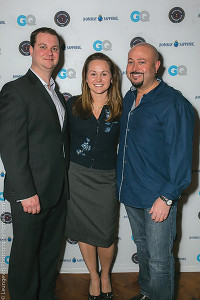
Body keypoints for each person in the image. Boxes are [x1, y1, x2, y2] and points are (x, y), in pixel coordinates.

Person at [117, 43, 195, 300]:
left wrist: (166, 197)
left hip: (158, 198)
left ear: (156, 66)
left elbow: (181, 157)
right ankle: (147, 293)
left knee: (161, 260)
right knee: (144, 250)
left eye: (142, 62)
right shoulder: (129, 97)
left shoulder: (173, 103)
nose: (134, 68)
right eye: (131, 62)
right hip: (131, 193)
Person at [0, 27, 69, 300]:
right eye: (43, 47)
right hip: (31, 193)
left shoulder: (55, 92)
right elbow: (11, 147)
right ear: (30, 50)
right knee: (26, 257)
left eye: (54, 48)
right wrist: (26, 191)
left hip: (56, 191)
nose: (49, 53)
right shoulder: (16, 90)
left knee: (49, 254)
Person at [66, 52, 122, 300]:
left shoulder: (123, 107)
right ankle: (94, 277)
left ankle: (106, 274)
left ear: (112, 78)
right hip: (76, 177)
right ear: (86, 78)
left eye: (104, 73)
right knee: (83, 229)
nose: (98, 78)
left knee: (105, 234)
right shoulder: (73, 105)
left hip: (107, 177)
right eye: (93, 73)